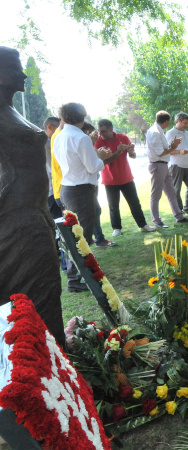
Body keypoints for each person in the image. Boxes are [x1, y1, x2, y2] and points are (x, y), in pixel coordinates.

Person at [0, 46, 66, 346]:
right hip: (16, 219)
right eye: (15, 68)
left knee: (47, 291)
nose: (23, 74)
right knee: (32, 293)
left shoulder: (10, 110)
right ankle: (40, 369)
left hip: (35, 214)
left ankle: (56, 365)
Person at [53, 104, 112, 245]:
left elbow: (74, 162)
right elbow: (92, 168)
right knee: (82, 239)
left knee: (78, 235)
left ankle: (80, 266)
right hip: (81, 191)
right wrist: (101, 157)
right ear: (83, 116)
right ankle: (78, 267)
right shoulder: (81, 137)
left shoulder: (59, 136)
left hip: (67, 189)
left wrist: (95, 156)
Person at [95, 119, 156, 234]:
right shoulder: (98, 142)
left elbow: (132, 156)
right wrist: (118, 151)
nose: (101, 134)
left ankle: (143, 225)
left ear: (110, 129)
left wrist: (131, 151)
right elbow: (104, 161)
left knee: (134, 203)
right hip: (109, 180)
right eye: (99, 131)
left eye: (103, 131)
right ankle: (116, 229)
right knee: (113, 206)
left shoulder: (122, 137)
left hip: (126, 177)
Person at [146, 110, 188, 227]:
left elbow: (164, 149)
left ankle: (179, 216)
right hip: (157, 165)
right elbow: (161, 153)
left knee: (171, 192)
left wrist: (172, 145)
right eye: (169, 121)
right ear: (166, 121)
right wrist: (173, 146)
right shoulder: (155, 132)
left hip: (163, 165)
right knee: (156, 195)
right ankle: (157, 221)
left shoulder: (159, 131)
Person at [166, 112, 188, 212]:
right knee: (176, 189)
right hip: (177, 165)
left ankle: (187, 207)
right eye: (184, 123)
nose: (186, 125)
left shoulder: (187, 133)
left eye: (187, 123)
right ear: (178, 121)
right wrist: (180, 152)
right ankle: (178, 210)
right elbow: (167, 151)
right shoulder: (170, 133)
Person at [43, 116, 63, 219]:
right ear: (50, 127)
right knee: (59, 221)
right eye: (59, 127)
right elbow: (52, 168)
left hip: (57, 188)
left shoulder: (52, 142)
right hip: (52, 190)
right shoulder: (45, 145)